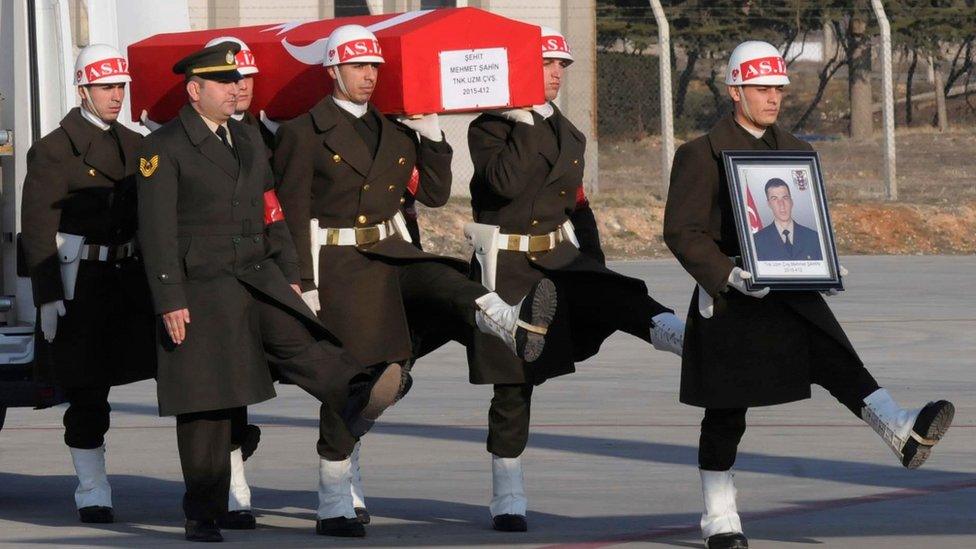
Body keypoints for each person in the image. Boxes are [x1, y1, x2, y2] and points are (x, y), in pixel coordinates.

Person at [663, 40, 954, 549]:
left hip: (791, 291)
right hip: (731, 294)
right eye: (761, 88)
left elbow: (805, 221)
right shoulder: (698, 154)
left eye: (778, 87)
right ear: (735, 90)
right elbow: (682, 232)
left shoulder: (797, 151)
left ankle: (900, 429)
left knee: (837, 359)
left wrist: (820, 262)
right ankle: (719, 516)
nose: (773, 97)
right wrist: (728, 275)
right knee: (727, 408)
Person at [273, 24, 560, 534]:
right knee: (361, 378)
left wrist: (432, 137)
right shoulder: (302, 131)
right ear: (333, 70)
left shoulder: (394, 127)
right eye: (358, 67)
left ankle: (504, 318)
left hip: (393, 250)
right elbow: (293, 211)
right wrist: (303, 280)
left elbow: (433, 193)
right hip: (338, 264)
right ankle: (335, 495)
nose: (368, 76)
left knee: (444, 278)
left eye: (374, 68)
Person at [136, 42, 399, 542]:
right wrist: (170, 298)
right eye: (224, 82)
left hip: (255, 272)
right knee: (208, 403)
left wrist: (293, 276)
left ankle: (362, 391)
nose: (237, 88)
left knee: (299, 337)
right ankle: (203, 512)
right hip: (201, 285)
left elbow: (270, 211)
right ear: (195, 91)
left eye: (238, 80)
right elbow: (156, 230)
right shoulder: (164, 147)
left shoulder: (247, 138)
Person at [465, 26, 685, 532]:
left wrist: (595, 260)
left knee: (621, 294)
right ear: (520, 68)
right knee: (514, 383)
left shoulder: (568, 131)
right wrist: (521, 122)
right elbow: (503, 184)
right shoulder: (490, 128)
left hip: (562, 256)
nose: (557, 73)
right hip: (510, 265)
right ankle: (507, 492)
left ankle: (682, 337)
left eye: (562, 65)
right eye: (547, 64)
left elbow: (578, 205)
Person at [20, 44, 156, 525]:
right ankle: (92, 488)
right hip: (83, 285)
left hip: (131, 279)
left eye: (120, 86)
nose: (115, 96)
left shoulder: (136, 144)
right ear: (83, 89)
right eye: (105, 87)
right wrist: (48, 294)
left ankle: (223, 471)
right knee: (88, 392)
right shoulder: (56, 148)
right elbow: (37, 228)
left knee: (182, 374)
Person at [752, 178, 822, 261]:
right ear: (769, 204)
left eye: (785, 198)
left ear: (791, 202)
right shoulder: (757, 241)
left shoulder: (814, 238)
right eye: (774, 199)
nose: (781, 204)